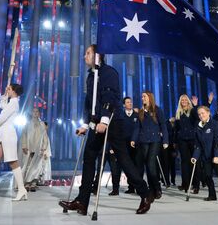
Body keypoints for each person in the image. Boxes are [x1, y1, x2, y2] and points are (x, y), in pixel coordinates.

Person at [59, 45, 153, 215]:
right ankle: (82, 201)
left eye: (87, 53)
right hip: (96, 122)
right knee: (88, 158)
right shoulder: (90, 76)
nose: (84, 56)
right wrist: (86, 124)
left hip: (112, 121)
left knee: (123, 159)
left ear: (98, 55)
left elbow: (109, 97)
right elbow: (90, 104)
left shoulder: (109, 72)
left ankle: (145, 194)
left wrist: (104, 120)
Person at [132, 91, 169, 200]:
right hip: (143, 141)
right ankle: (151, 190)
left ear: (149, 98)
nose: (142, 98)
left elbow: (163, 125)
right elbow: (137, 127)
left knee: (150, 163)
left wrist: (165, 140)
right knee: (148, 166)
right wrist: (133, 139)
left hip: (155, 140)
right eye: (142, 96)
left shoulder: (157, 110)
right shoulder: (141, 112)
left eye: (144, 96)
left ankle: (157, 189)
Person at [174, 94, 200, 193]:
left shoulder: (193, 111)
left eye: (185, 100)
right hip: (182, 140)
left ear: (188, 101)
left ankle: (196, 185)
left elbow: (199, 119)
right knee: (184, 162)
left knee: (193, 161)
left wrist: (195, 105)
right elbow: (176, 129)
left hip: (192, 139)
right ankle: (185, 184)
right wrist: (175, 142)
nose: (184, 101)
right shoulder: (178, 113)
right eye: (182, 100)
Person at [20, 107, 48, 191]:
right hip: (30, 147)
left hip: (38, 148)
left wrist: (44, 148)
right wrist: (24, 146)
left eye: (37, 112)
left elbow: (45, 137)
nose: (35, 113)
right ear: (32, 113)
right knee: (28, 165)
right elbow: (24, 135)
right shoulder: (27, 124)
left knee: (37, 167)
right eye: (34, 111)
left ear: (39, 113)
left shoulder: (42, 124)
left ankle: (33, 183)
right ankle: (27, 182)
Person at [160, 117, 177, 187]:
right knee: (165, 164)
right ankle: (166, 181)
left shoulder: (176, 124)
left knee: (172, 164)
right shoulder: (166, 124)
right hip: (165, 145)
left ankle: (171, 180)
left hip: (172, 146)